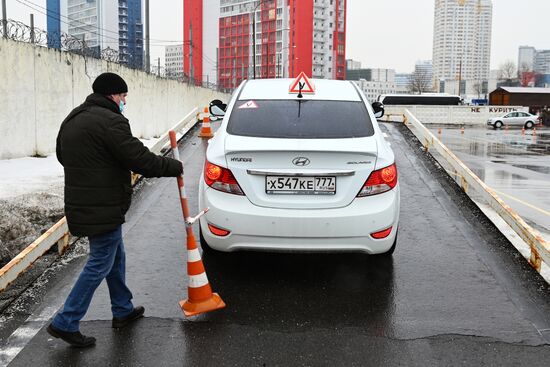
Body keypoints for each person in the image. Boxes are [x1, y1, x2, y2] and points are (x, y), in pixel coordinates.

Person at [47, 72, 183, 347]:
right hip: (103, 205)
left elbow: (63, 155)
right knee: (100, 261)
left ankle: (122, 308)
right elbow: (138, 158)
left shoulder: (74, 117)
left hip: (84, 201)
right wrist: (173, 166)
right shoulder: (110, 122)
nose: (124, 101)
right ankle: (66, 321)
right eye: (123, 96)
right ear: (112, 95)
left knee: (114, 254)